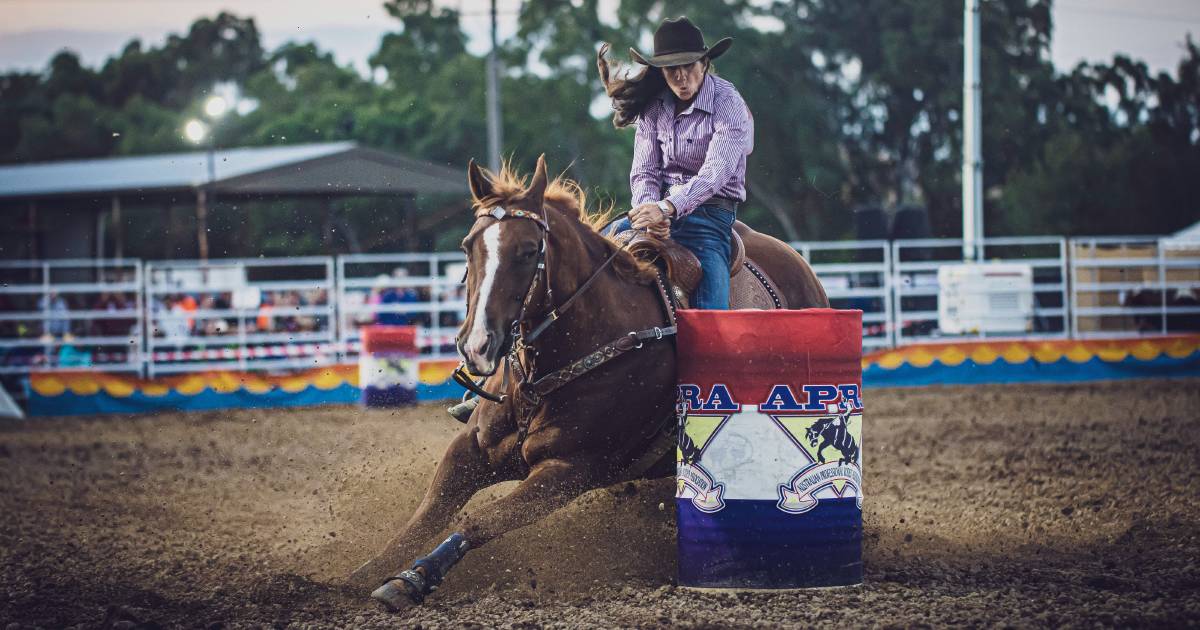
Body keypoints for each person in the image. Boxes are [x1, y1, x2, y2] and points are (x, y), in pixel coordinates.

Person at [599, 16, 754, 309]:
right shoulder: (654, 107)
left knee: (711, 316)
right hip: (656, 216)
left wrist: (666, 208)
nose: (681, 77)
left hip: (709, 218)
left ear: (704, 64)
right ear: (662, 71)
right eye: (672, 69)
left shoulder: (728, 102)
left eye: (688, 66)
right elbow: (644, 171)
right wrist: (648, 215)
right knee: (593, 254)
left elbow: (716, 172)